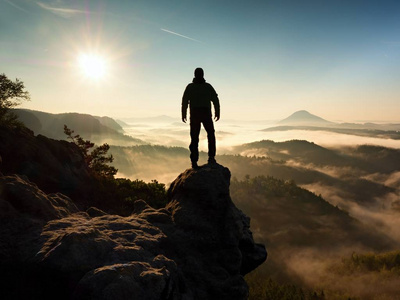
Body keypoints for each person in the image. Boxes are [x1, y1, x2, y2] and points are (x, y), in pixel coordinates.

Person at [181, 68, 220, 169]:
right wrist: (217, 112)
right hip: (205, 113)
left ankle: (195, 161)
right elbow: (215, 100)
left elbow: (184, 101)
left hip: (195, 114)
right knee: (210, 135)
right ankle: (211, 157)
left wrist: (183, 114)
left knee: (195, 138)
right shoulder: (207, 87)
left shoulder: (190, 87)